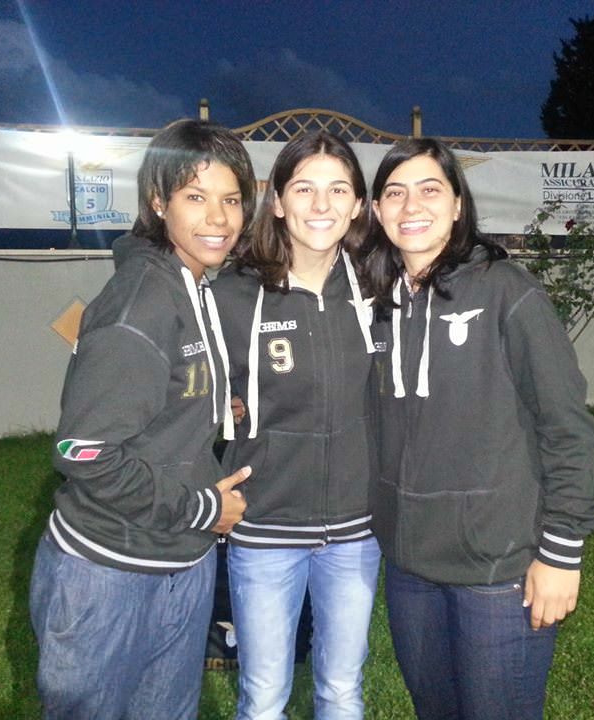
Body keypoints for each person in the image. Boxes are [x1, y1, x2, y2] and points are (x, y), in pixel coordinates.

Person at [359, 137, 594, 720]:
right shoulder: (374, 304)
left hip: (497, 568)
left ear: (457, 205)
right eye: (394, 193)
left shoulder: (507, 290)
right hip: (410, 567)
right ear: (376, 210)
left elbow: (566, 426)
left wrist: (561, 554)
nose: (411, 206)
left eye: (429, 190)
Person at [29, 119, 255, 720]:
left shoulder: (192, 281)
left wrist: (209, 404)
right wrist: (204, 509)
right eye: (196, 197)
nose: (219, 218)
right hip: (109, 574)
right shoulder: (141, 303)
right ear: (159, 202)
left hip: (179, 561)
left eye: (231, 199)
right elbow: (83, 452)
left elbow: (160, 388)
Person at [212, 131, 380, 720]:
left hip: (357, 530)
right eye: (304, 189)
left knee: (342, 691)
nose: (321, 204)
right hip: (264, 527)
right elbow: (185, 396)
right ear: (278, 201)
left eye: (338, 190)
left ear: (358, 205)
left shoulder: (381, 290)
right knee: (262, 700)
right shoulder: (232, 295)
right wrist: (207, 473)